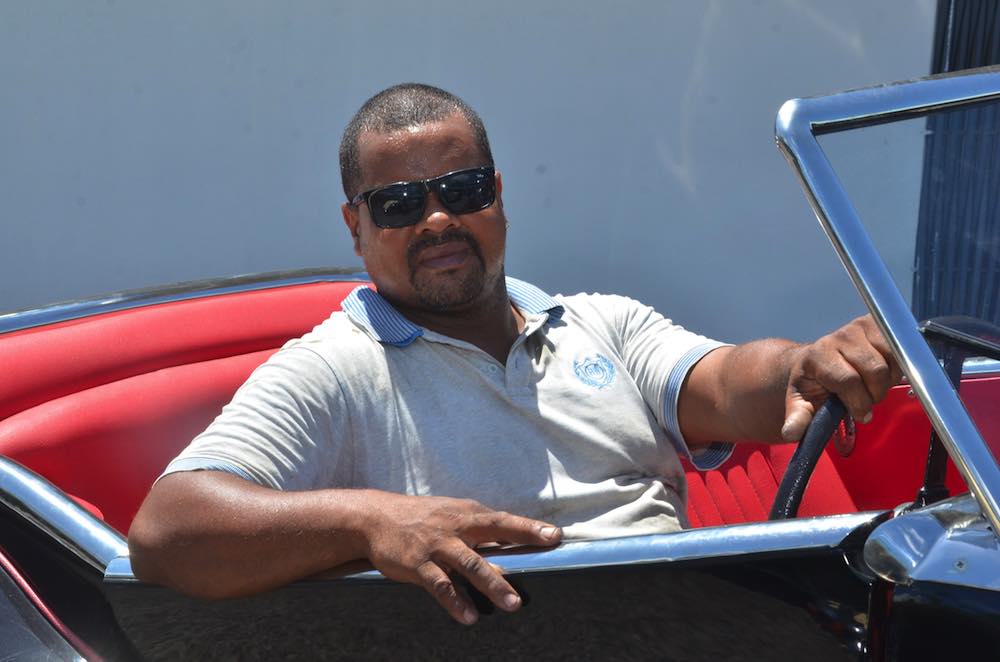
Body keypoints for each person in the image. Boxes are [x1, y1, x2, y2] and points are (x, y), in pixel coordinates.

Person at [128, 83, 901, 626]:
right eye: (399, 203)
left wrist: (803, 365)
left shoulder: (603, 322)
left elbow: (731, 383)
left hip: (690, 623)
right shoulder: (333, 368)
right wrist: (371, 522)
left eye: (462, 190)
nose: (437, 219)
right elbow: (168, 533)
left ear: (497, 194)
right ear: (355, 227)